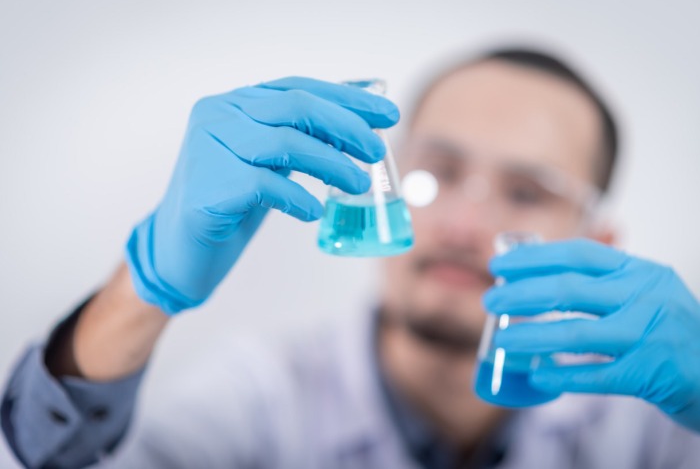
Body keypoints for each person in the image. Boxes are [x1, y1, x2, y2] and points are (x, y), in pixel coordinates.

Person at [3, 47, 700, 469]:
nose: (462, 224)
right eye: (437, 173)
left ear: (598, 245)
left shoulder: (654, 431)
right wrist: (144, 286)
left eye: (525, 192)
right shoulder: (260, 397)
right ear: (381, 182)